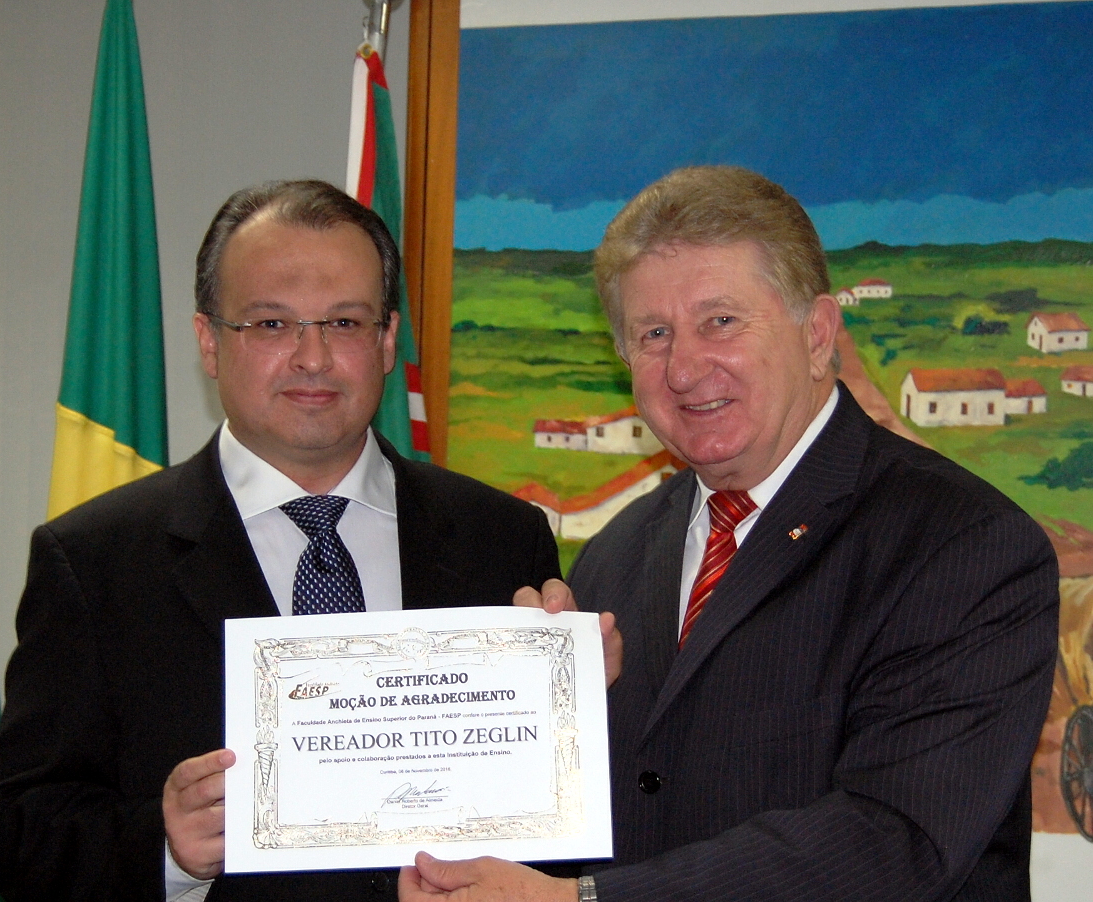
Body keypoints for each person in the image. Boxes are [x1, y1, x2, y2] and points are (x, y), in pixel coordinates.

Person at [399, 166, 1060, 902]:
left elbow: (894, 842)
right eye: (654, 334)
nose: (684, 368)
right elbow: (621, 812)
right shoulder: (616, 554)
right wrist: (535, 722)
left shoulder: (965, 547)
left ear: (817, 335)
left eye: (720, 321)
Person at [0, 180, 575, 902]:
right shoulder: (96, 559)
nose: (311, 357)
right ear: (209, 342)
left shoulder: (502, 538)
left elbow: (556, 824)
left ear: (386, 341)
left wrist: (575, 699)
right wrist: (165, 847)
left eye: (344, 322)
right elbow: (14, 828)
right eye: (270, 325)